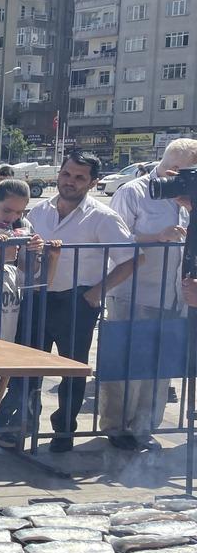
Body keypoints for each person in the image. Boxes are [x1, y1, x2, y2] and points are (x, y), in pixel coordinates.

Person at [0, 152, 140, 452]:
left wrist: (96, 292)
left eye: (79, 177)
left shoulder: (102, 217)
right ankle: (21, 427)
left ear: (92, 182)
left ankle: (64, 431)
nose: (70, 182)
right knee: (27, 367)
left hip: (77, 301)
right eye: (66, 174)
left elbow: (131, 259)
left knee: (72, 371)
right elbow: (25, 254)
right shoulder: (39, 211)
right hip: (37, 297)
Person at [102, 139, 197, 451]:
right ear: (171, 167)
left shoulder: (192, 198)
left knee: (159, 368)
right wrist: (156, 237)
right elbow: (113, 238)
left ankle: (145, 426)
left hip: (175, 296)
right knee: (127, 365)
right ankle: (117, 428)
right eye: (184, 173)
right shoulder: (134, 192)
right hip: (135, 292)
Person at [0, 179, 57, 446]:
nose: (12, 218)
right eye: (7, 210)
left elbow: (31, 273)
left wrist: (35, 251)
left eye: (19, 212)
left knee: (8, 379)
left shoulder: (24, 227)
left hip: (11, 316)